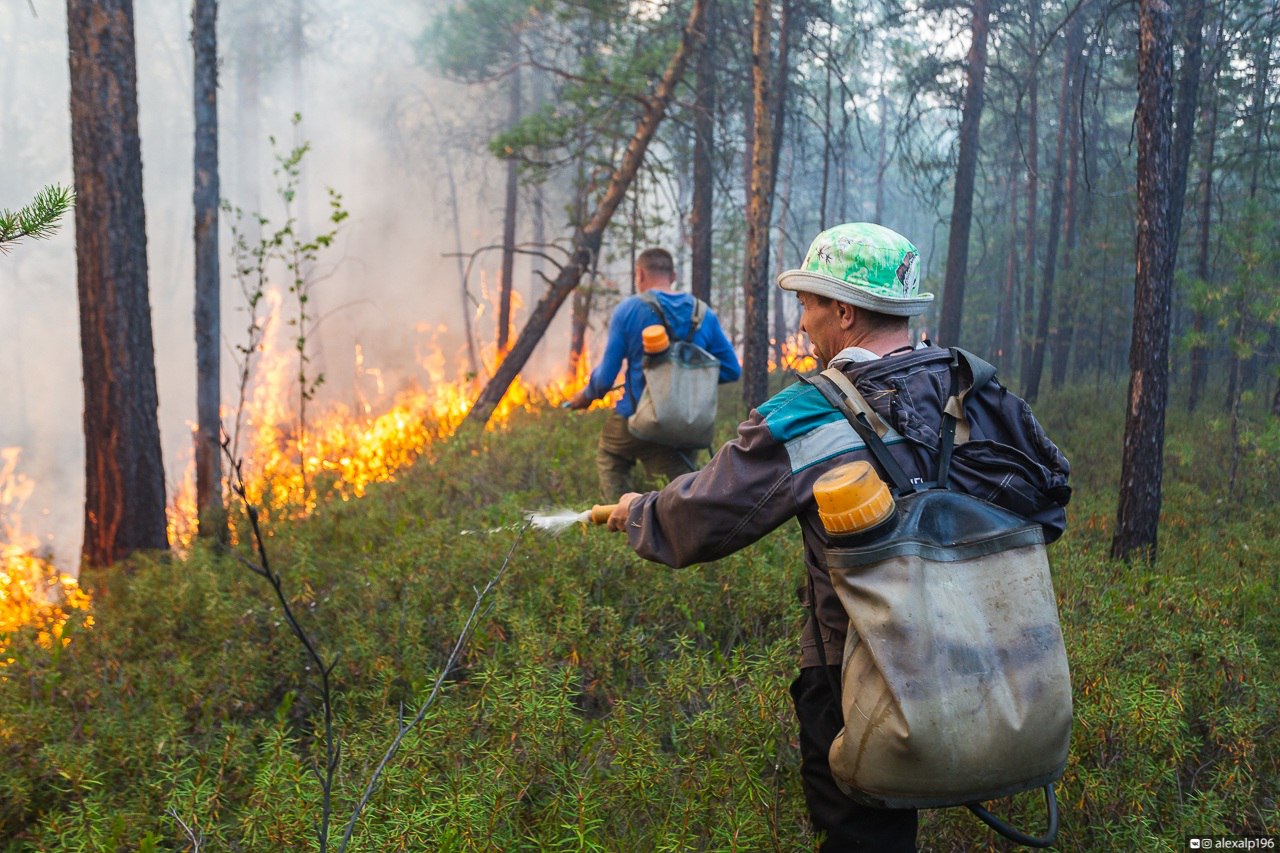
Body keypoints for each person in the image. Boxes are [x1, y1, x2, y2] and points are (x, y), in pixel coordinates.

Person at [603, 223, 1071, 851]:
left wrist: (641, 510)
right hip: (992, 661)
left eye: (807, 304)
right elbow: (1050, 511)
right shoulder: (979, 391)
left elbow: (706, 515)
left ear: (844, 312)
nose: (802, 324)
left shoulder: (810, 413)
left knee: (865, 835)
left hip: (855, 673)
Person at [567, 247, 741, 500]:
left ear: (639, 274)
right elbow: (731, 370)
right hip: (685, 426)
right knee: (675, 498)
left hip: (637, 420)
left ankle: (621, 519)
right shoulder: (703, 314)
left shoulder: (629, 310)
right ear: (673, 275)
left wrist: (585, 396)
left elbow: (604, 380)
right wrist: (690, 378)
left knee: (610, 454)